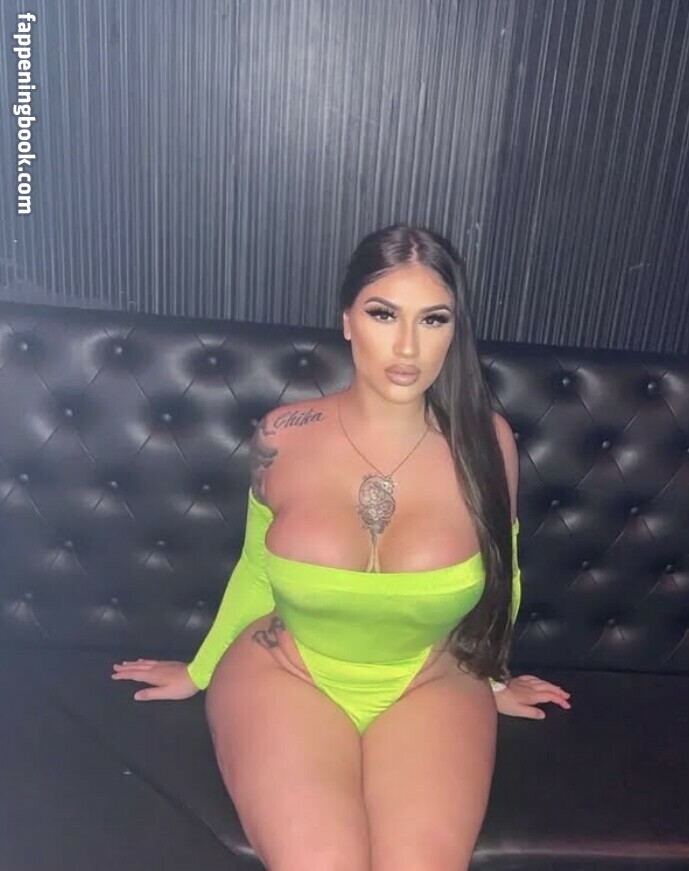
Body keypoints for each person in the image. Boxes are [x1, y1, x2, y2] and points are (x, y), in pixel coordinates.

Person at [112, 224, 571, 870]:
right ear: (347, 320)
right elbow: (256, 567)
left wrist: (494, 676)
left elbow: (504, 572)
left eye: (432, 319)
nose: (407, 346)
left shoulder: (486, 443)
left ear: (454, 330)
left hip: (430, 679)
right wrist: (198, 669)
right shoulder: (283, 435)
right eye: (383, 314)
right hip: (286, 671)